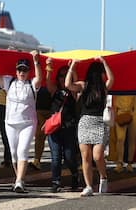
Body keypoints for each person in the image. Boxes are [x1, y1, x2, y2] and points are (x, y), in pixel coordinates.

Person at [0, 47, 42, 193]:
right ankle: (18, 180)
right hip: (10, 122)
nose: (22, 73)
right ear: (16, 71)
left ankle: (19, 181)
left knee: (23, 151)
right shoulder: (8, 81)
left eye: (24, 70)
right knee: (13, 153)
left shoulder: (32, 84)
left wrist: (36, 62)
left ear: (29, 71)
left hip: (28, 123)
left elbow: (40, 78)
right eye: (19, 70)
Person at [65, 57, 114, 196]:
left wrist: (105, 62)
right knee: (85, 156)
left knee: (97, 156)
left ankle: (103, 177)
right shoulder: (83, 85)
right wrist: (72, 66)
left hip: (99, 122)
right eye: (102, 72)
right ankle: (88, 186)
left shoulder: (104, 88)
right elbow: (68, 84)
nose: (103, 75)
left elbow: (112, 79)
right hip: (85, 122)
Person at [44, 59, 79, 193]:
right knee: (56, 156)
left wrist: (73, 69)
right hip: (54, 129)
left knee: (69, 157)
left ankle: (75, 175)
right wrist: (49, 67)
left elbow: (75, 82)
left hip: (69, 128)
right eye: (61, 76)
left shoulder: (73, 91)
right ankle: (56, 181)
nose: (63, 78)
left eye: (66, 75)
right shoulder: (54, 90)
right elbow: (47, 82)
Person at [112, 95, 136, 172]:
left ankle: (130, 163)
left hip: (134, 112)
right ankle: (120, 163)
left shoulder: (135, 84)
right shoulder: (117, 84)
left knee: (132, 139)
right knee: (120, 138)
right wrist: (114, 113)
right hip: (120, 111)